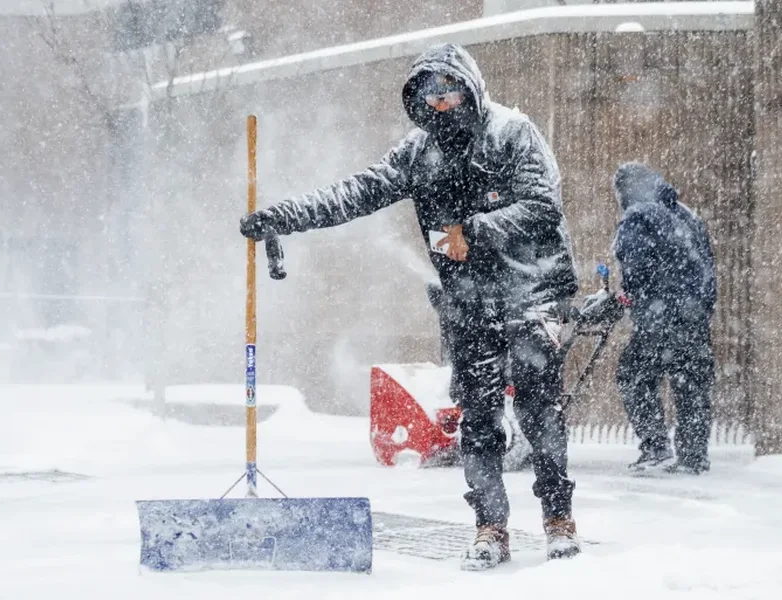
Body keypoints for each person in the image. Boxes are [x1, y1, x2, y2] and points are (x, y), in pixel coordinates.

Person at [239, 42, 582, 569]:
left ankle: (559, 519)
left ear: (470, 88)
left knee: (539, 411)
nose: (441, 105)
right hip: (469, 300)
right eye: (430, 97)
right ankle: (491, 526)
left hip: (530, 290)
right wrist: (283, 217)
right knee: (480, 415)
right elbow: (356, 192)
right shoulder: (418, 154)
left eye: (449, 92)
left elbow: (543, 205)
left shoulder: (513, 133)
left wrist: (475, 231)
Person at [599, 162, 717, 475]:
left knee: (632, 374)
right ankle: (693, 457)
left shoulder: (639, 215)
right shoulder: (687, 215)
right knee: (690, 384)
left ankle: (655, 447)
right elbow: (706, 267)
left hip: (660, 316)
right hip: (695, 316)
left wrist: (631, 296)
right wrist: (700, 308)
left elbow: (636, 265)